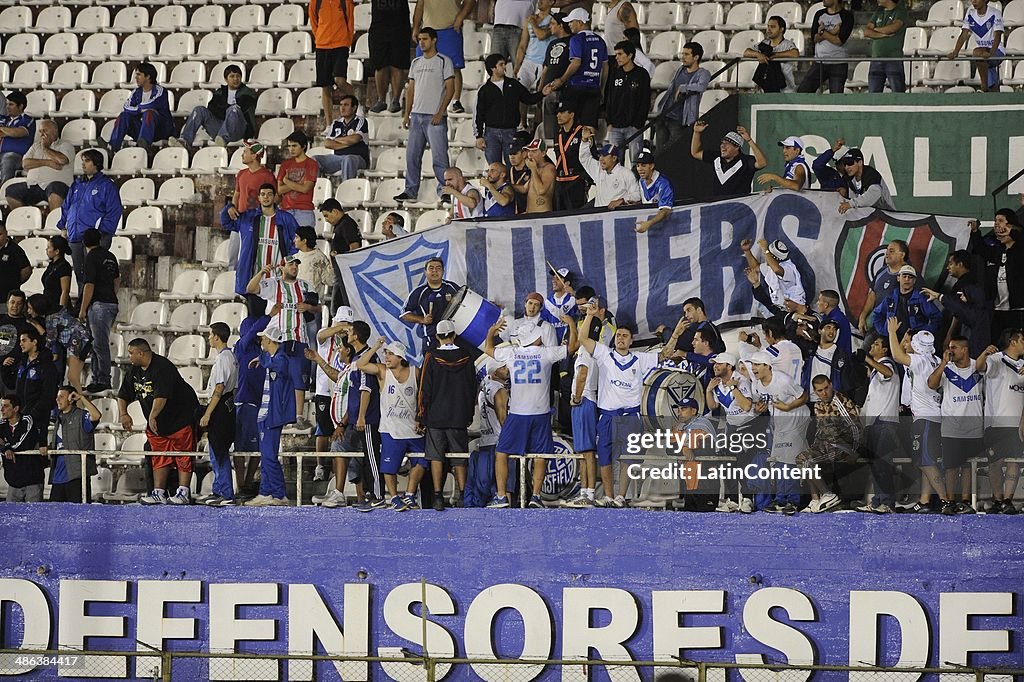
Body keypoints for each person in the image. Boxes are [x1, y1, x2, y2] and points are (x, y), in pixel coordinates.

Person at [577, 307, 680, 507]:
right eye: (618, 335)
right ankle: (608, 495)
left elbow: (666, 354)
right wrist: (589, 316)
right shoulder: (604, 354)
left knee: (628, 457)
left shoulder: (640, 358)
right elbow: (583, 339)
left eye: (625, 336)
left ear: (631, 341)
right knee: (605, 457)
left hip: (630, 416)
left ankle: (620, 497)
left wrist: (675, 334)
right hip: (607, 415)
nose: (621, 338)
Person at [484, 312, 578, 508]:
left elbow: (488, 349)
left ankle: (501, 496)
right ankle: (536, 496)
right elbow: (572, 347)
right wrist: (570, 324)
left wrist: (492, 331)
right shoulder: (546, 353)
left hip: (518, 413)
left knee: (502, 452)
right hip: (541, 412)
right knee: (540, 454)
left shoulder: (511, 352)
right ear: (535, 337)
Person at [121, 338, 201, 506]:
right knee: (159, 456)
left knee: (183, 455)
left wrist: (152, 417)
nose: (129, 357)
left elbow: (161, 396)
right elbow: (123, 394)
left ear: (141, 353)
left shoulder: (163, 368)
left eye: (131, 353)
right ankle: (158, 492)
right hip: (158, 424)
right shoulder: (134, 371)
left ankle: (183, 492)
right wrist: (123, 414)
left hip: (180, 419)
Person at [886, 320, 956, 515]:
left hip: (924, 418)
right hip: (934, 417)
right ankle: (924, 501)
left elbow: (897, 355)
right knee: (928, 460)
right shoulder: (933, 359)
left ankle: (944, 500)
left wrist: (892, 332)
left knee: (925, 462)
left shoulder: (920, 361)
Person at [354, 337, 428, 511]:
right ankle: (394, 498)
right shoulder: (382, 371)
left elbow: (423, 397)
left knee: (422, 461)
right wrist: (376, 347)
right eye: (386, 353)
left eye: (390, 354)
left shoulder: (415, 372)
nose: (386, 357)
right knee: (389, 467)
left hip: (412, 428)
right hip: (390, 430)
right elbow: (361, 364)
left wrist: (420, 418)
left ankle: (409, 495)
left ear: (400, 357)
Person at [247, 255, 317, 430]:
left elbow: (317, 306)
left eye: (296, 265)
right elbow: (250, 288)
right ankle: (280, 414)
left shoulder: (305, 285)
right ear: (283, 267)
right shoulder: (274, 284)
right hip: (278, 339)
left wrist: (308, 307)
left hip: (299, 336)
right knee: (279, 376)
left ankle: (299, 416)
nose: (294, 267)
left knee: (299, 376)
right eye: (291, 264)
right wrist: (261, 273)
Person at [418, 319, 478, 509]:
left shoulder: (431, 356)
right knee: (459, 456)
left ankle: (437, 496)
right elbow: (471, 388)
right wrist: (468, 414)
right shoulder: (467, 357)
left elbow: (424, 389)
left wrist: (421, 416)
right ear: (454, 335)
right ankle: (462, 495)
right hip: (459, 416)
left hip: (436, 416)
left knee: (436, 456)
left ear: (437, 337)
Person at [394, 28, 456, 203]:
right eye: (419, 39)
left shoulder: (444, 61)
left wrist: (440, 111)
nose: (421, 42)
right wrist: (407, 114)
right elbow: (411, 89)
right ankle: (410, 190)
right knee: (412, 156)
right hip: (417, 115)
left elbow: (450, 88)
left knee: (439, 157)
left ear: (434, 40)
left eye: (425, 39)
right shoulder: (416, 62)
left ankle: (445, 190)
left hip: (434, 116)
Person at [747, 351, 809, 514]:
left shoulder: (783, 380)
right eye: (752, 364)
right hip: (779, 422)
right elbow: (762, 404)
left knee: (789, 461)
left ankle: (792, 501)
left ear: (768, 366)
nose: (753, 368)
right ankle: (781, 499)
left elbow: (804, 396)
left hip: (797, 419)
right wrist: (759, 409)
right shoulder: (756, 385)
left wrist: (788, 407)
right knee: (779, 461)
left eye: (757, 364)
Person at [927, 336, 982, 514]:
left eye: (954, 348)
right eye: (949, 347)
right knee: (951, 467)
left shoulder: (978, 366)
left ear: (965, 349)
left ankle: (965, 501)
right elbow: (931, 384)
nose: (950, 351)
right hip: (951, 426)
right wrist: (943, 363)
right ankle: (949, 502)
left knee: (967, 465)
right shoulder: (947, 369)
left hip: (974, 425)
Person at [220, 183, 300, 304]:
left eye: (269, 194)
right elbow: (226, 223)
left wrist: (288, 260)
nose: (266, 197)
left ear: (274, 197)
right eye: (263, 194)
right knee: (256, 317)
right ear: (258, 198)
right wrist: (228, 208)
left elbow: (297, 240)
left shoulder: (286, 218)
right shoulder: (248, 217)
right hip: (254, 279)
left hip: (278, 279)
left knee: (275, 318)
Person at [244, 323, 295, 506]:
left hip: (274, 415)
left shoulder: (281, 359)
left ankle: (279, 493)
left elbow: (276, 365)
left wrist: (261, 358)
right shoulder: (271, 357)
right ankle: (266, 492)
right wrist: (261, 357)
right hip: (265, 414)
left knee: (269, 455)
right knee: (266, 456)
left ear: (271, 340)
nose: (261, 341)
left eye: (264, 338)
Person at [795, 375, 861, 512]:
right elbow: (820, 431)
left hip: (843, 446)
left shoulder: (840, 402)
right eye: (820, 390)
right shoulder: (818, 405)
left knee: (808, 460)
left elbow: (856, 428)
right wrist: (813, 448)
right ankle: (815, 499)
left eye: (826, 388)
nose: (824, 393)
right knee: (802, 458)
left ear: (831, 385)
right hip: (825, 446)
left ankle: (828, 494)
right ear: (815, 391)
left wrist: (854, 451)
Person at [57, 149, 122, 287]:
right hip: (75, 237)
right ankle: (83, 307)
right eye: (82, 161)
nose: (83, 164)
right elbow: (66, 206)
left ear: (96, 163)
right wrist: (63, 226)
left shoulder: (107, 185)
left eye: (87, 161)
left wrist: (101, 232)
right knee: (80, 276)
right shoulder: (77, 184)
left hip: (95, 238)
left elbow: (114, 211)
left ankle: (94, 306)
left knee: (94, 276)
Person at [977, 332, 1024, 514]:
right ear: (1012, 341)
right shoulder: (996, 359)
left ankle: (1007, 500)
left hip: (1017, 424)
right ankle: (998, 499)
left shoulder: (1022, 364)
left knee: (1015, 462)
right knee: (995, 463)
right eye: (1022, 340)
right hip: (996, 422)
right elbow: (980, 367)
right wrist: (984, 354)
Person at [704, 352, 757, 513]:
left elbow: (747, 406)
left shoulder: (741, 380)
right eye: (714, 363)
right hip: (732, 427)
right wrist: (708, 391)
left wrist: (733, 387)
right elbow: (713, 407)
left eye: (719, 363)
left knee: (741, 462)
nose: (715, 366)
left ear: (729, 366)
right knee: (726, 462)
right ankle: (733, 500)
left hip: (749, 425)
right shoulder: (717, 383)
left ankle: (748, 499)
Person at [856, 335, 901, 514]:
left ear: (884, 350)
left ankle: (888, 503)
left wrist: (866, 359)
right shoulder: (875, 371)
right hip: (875, 422)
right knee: (875, 464)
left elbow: (888, 373)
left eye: (876, 345)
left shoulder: (888, 363)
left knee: (882, 463)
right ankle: (877, 501)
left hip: (885, 422)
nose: (872, 347)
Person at [231, 305, 272, 502]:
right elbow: (253, 332)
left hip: (261, 405)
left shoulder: (264, 352)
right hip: (244, 404)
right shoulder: (242, 346)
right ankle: (241, 485)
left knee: (258, 448)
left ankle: (248, 482)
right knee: (240, 448)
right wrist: (269, 316)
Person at [474, 54, 542, 166]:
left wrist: (542, 93)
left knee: (513, 166)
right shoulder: (484, 90)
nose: (504, 67)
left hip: (510, 131)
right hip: (492, 133)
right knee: (494, 166)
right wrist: (479, 136)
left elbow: (528, 98)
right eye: (501, 64)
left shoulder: (513, 84)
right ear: (493, 68)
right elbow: (479, 114)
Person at [543, 8, 607, 128]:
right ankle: (588, 147)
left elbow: (576, 63)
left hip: (576, 85)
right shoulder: (600, 41)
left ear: (580, 22)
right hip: (594, 87)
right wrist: (602, 88)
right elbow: (605, 67)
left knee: (569, 124)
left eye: (572, 21)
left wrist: (561, 80)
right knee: (588, 126)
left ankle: (568, 147)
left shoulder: (576, 39)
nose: (569, 24)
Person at [921, 250, 991, 357]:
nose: (948, 267)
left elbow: (959, 310)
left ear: (960, 264)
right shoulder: (971, 281)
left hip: (966, 335)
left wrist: (950, 334)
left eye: (950, 263)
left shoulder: (966, 284)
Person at [310, 306, 352, 482]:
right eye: (343, 322)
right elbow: (320, 336)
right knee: (323, 429)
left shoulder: (349, 341)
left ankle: (337, 469)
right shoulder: (326, 335)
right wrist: (339, 328)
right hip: (323, 389)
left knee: (339, 429)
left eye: (348, 324)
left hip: (342, 390)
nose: (345, 327)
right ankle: (320, 466)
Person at [411, 0, 476, 114]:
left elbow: (470, 1)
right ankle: (421, 100)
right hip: (428, 29)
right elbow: (420, 4)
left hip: (450, 28)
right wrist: (416, 26)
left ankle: (455, 101)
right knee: (421, 66)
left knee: (454, 67)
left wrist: (460, 17)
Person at [198, 322, 238, 507]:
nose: (208, 338)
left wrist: (208, 413)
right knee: (216, 452)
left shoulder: (223, 358)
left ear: (216, 337)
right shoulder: (230, 356)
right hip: (227, 405)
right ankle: (219, 490)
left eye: (210, 335)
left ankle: (227, 493)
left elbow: (219, 388)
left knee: (220, 452)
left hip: (220, 407)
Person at [170, 63, 256, 148]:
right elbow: (211, 108)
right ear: (226, 79)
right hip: (219, 129)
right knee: (199, 110)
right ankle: (184, 140)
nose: (236, 79)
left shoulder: (248, 93)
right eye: (232, 76)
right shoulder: (220, 92)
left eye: (238, 76)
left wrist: (223, 108)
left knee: (233, 109)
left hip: (238, 129)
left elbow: (242, 108)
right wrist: (224, 109)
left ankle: (223, 138)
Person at [969, 209, 1024, 335]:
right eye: (995, 221)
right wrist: (975, 231)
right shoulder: (998, 252)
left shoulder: (1020, 251)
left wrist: (1012, 231)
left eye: (1000, 221)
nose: (997, 225)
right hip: (999, 309)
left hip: (1019, 310)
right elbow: (981, 248)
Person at [79, 229, 120, 394]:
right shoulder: (110, 256)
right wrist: (111, 295)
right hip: (110, 302)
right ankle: (97, 378)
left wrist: (82, 309)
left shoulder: (91, 257)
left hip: (99, 305)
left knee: (99, 344)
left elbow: (89, 285)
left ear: (84, 242)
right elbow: (116, 280)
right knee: (96, 343)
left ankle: (103, 378)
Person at [2, 327, 58, 449]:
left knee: (34, 453)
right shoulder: (22, 363)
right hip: (21, 416)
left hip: (37, 418)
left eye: (24, 340)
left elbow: (49, 393)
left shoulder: (46, 366)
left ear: (34, 342)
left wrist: (34, 412)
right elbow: (11, 384)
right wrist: (5, 369)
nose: (20, 344)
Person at [225, 141, 276, 269]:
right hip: (240, 219)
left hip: (256, 222)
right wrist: (232, 206)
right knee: (233, 255)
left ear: (254, 156)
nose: (242, 154)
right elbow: (237, 194)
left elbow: (274, 198)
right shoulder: (241, 174)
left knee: (251, 258)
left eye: (245, 152)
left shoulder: (267, 176)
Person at [5, 119, 73, 212]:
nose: (41, 134)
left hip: (58, 186)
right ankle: (26, 221)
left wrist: (45, 148)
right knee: (11, 190)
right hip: (34, 186)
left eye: (45, 130)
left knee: (54, 187)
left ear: (55, 131)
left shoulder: (65, 145)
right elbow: (25, 164)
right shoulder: (35, 146)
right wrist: (48, 163)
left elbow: (62, 160)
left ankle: (55, 223)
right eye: (40, 131)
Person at [28, 294, 89, 395]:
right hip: (81, 340)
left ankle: (80, 401)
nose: (29, 311)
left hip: (78, 341)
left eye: (30, 308)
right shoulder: (57, 311)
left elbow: (51, 339)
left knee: (72, 376)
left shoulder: (51, 318)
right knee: (73, 376)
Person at [49, 386, 101, 503]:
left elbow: (96, 416)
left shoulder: (81, 416)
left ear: (71, 398)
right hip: (57, 477)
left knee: (78, 516)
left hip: (77, 476)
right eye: (57, 397)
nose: (58, 400)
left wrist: (82, 397)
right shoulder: (58, 418)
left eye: (61, 397)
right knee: (54, 516)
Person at [654, 43, 710, 150]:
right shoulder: (681, 69)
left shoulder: (703, 73)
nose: (683, 57)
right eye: (683, 53)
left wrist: (683, 88)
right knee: (660, 151)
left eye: (687, 54)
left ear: (696, 57)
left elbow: (701, 86)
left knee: (676, 149)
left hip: (680, 119)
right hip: (665, 114)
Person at [603, 40, 650, 166]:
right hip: (615, 126)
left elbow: (645, 100)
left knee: (636, 162)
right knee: (615, 163)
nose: (617, 57)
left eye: (620, 54)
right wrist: (609, 122)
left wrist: (638, 123)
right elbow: (609, 97)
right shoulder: (614, 74)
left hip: (633, 126)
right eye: (616, 54)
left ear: (630, 55)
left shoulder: (641, 75)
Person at [401, 257, 461, 355]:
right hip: (431, 338)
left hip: (454, 336)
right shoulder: (419, 292)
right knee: (432, 368)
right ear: (425, 272)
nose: (435, 271)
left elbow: (467, 300)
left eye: (438, 268)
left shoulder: (451, 287)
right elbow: (404, 314)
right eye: (431, 268)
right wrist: (422, 319)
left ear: (443, 271)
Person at [108, 62, 173, 151]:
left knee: (149, 113)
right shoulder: (136, 92)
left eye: (139, 75)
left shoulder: (160, 91)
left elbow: (152, 103)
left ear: (148, 76)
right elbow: (126, 107)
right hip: (141, 129)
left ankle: (143, 144)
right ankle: (112, 147)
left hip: (160, 131)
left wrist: (140, 109)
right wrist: (140, 110)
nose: (136, 77)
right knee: (124, 115)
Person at [691, 122, 767, 197]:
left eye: (727, 144)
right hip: (718, 205)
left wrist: (749, 140)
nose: (722, 146)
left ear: (737, 147)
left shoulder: (745, 161)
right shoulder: (716, 157)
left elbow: (762, 163)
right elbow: (695, 153)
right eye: (722, 143)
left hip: (739, 206)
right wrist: (697, 133)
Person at [310, 0, 355, 125]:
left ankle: (357, 105)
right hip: (322, 46)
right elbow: (314, 22)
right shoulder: (315, 2)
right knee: (325, 86)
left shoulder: (345, 1)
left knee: (340, 80)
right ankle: (329, 124)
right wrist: (320, 37)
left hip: (340, 44)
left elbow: (350, 22)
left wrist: (347, 41)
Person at [797, 0, 854, 94]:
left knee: (835, 98)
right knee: (803, 90)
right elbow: (814, 38)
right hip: (819, 62)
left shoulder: (846, 16)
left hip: (838, 63)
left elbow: (838, 41)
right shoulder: (819, 14)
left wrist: (822, 32)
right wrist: (831, 33)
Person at [870, 265, 942, 339]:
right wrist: (883, 330)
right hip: (891, 338)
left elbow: (936, 316)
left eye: (910, 277)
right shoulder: (890, 297)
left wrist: (924, 333)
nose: (907, 279)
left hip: (912, 341)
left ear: (914, 281)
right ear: (898, 278)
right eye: (904, 276)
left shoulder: (921, 298)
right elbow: (876, 314)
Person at [948, 0, 1004, 93]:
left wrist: (991, 53)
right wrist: (955, 52)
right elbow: (963, 35)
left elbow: (998, 35)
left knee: (976, 52)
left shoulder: (995, 13)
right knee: (993, 89)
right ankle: (991, 89)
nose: (973, 1)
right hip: (982, 53)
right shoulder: (970, 13)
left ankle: (983, 86)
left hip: (997, 51)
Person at [368, 0, 412, 114]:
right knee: (379, 65)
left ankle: (395, 100)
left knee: (397, 65)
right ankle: (381, 100)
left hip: (400, 27)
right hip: (379, 27)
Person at [577, 130, 639, 209]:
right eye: (600, 156)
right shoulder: (598, 170)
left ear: (614, 158)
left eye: (605, 156)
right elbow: (584, 158)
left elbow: (637, 195)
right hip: (600, 217)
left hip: (618, 217)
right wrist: (584, 141)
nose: (601, 159)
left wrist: (623, 200)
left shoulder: (626, 173)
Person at [858, 239, 909, 334]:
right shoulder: (881, 271)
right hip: (876, 325)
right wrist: (863, 316)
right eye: (887, 251)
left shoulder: (910, 277)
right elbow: (873, 295)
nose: (887, 254)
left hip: (896, 329)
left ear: (902, 255)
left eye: (891, 251)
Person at [741, 238, 806, 311]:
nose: (766, 257)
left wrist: (765, 249)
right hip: (780, 310)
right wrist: (747, 251)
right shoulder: (770, 267)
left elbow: (777, 270)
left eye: (768, 254)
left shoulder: (789, 268)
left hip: (795, 311)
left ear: (774, 257)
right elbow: (755, 267)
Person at [314, 95, 371, 180]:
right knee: (314, 160)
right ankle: (316, 189)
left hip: (358, 157)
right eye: (341, 105)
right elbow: (327, 143)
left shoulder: (361, 121)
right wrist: (349, 143)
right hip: (338, 157)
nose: (342, 108)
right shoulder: (336, 123)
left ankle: (346, 190)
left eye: (346, 105)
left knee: (348, 159)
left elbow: (354, 139)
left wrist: (336, 139)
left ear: (354, 108)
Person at [323, 198, 363, 310]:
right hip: (341, 273)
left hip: (345, 274)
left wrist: (342, 259)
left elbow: (355, 248)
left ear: (335, 212)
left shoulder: (347, 224)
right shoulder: (341, 224)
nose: (326, 220)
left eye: (326, 215)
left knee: (339, 309)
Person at [0, 395, 41, 502]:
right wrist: (5, 447)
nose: (1, 409)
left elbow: (21, 444)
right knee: (10, 517)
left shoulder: (27, 420)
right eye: (1, 406)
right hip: (13, 482)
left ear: (16, 408)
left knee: (34, 516)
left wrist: (6, 445)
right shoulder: (2, 424)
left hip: (32, 480)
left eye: (5, 406)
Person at [743, 16, 799, 93]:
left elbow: (795, 53)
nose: (769, 29)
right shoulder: (764, 43)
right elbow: (746, 52)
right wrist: (758, 55)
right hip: (766, 88)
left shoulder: (787, 44)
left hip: (786, 90)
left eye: (773, 27)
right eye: (768, 26)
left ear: (781, 29)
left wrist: (774, 55)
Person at [539, 13, 572, 139]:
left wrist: (563, 80)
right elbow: (545, 68)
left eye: (552, 24)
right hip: (549, 90)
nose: (550, 27)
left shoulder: (573, 42)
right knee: (549, 129)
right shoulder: (552, 44)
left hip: (567, 90)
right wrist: (540, 89)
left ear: (561, 25)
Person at [551, 101, 588, 211]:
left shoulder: (582, 132)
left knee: (577, 216)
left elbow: (591, 156)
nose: (558, 115)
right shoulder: (558, 133)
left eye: (562, 112)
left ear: (572, 115)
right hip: (560, 181)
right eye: (557, 113)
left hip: (576, 181)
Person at [865, 0, 908, 93]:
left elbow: (893, 28)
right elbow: (867, 32)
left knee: (898, 92)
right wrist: (883, 34)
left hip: (893, 58)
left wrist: (875, 30)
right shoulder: (878, 12)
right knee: (873, 93)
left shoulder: (900, 11)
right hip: (876, 58)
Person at [277, 131, 318, 228]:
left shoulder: (311, 164)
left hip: (304, 211)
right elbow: (279, 190)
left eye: (294, 146)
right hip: (285, 210)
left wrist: (287, 181)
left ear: (303, 146)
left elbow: (305, 189)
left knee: (304, 242)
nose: (291, 149)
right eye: (289, 146)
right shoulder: (285, 164)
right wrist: (298, 184)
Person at [513, 0, 554, 94]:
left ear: (551, 2)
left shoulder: (553, 20)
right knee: (518, 92)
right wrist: (517, 66)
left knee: (541, 94)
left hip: (544, 63)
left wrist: (533, 23)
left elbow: (541, 35)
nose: (540, 1)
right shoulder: (530, 19)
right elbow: (522, 45)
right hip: (528, 62)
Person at [837, 148, 895, 213]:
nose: (846, 167)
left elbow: (874, 195)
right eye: (845, 164)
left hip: (886, 216)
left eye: (850, 163)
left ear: (860, 162)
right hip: (866, 217)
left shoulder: (871, 175)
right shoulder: (848, 178)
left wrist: (851, 204)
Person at [633, 147, 675, 234]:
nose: (640, 169)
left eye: (643, 165)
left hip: (663, 228)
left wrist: (649, 223)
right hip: (647, 226)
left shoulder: (663, 183)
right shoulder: (641, 181)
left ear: (651, 166)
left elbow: (666, 210)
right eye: (638, 165)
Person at [0, 91, 36, 185]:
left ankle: (3, 191)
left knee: (8, 158)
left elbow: (19, 132)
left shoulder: (28, 120)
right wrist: (9, 131)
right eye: (7, 104)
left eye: (11, 104)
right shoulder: (5, 119)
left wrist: (6, 131)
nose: (7, 107)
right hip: (1, 154)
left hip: (18, 157)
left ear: (20, 106)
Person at [294, 225, 335, 302]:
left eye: (296, 237)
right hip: (296, 301)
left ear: (304, 241)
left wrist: (332, 265)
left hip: (313, 303)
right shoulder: (294, 258)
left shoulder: (319, 258)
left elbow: (329, 280)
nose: (294, 240)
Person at [0, 223, 31, 307]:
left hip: (8, 297)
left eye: (0, 234)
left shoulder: (15, 250)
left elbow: (26, 270)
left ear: (6, 233)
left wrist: (14, 283)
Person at [40, 236, 73, 312]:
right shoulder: (52, 264)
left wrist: (61, 310)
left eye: (49, 248)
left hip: (57, 305)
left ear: (57, 251)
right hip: (49, 303)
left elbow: (65, 291)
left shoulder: (64, 266)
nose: (46, 250)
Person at [524, 138, 556, 213]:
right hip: (530, 215)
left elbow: (541, 191)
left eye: (534, 151)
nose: (530, 154)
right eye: (529, 151)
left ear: (543, 153)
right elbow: (524, 188)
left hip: (542, 216)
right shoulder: (535, 168)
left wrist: (533, 170)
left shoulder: (549, 168)